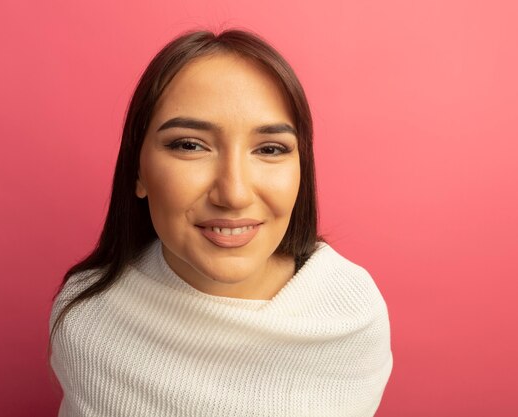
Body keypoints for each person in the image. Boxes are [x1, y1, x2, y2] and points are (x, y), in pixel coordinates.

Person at [49, 29, 392, 417]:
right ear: (138, 171)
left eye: (270, 149)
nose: (233, 194)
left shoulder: (351, 315)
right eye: (190, 145)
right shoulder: (87, 316)